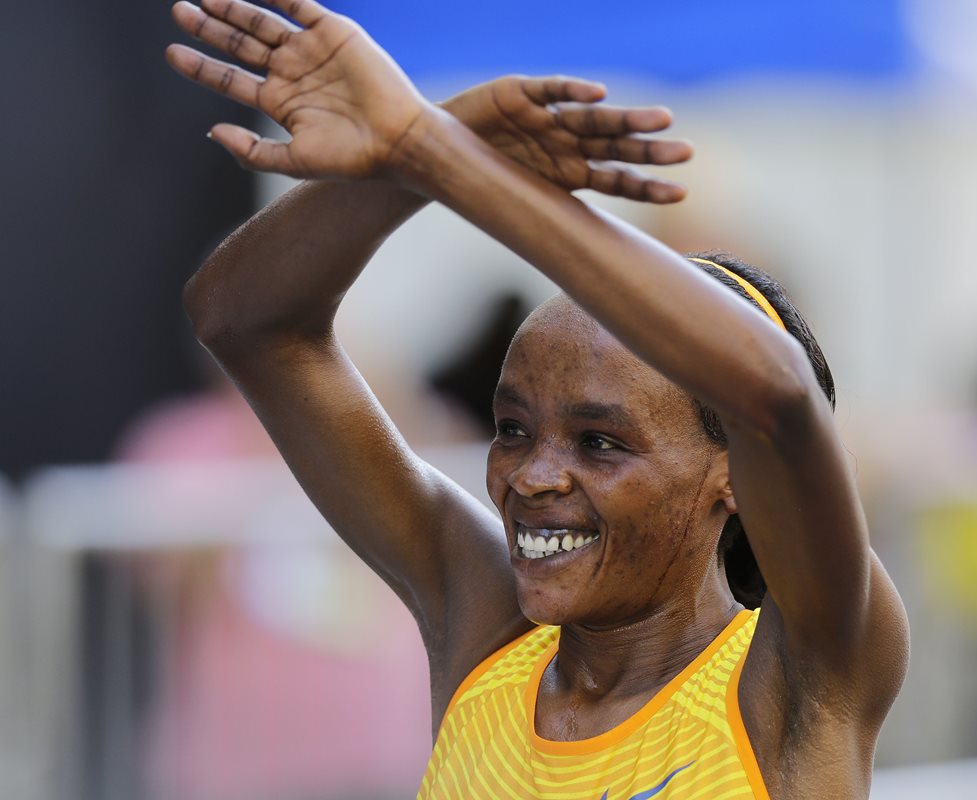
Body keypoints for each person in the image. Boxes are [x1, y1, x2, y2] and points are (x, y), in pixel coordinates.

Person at [165, 1, 910, 797]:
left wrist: (441, 157)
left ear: (731, 471)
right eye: (514, 428)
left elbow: (779, 395)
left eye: (600, 442)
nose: (532, 476)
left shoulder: (801, 675)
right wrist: (421, 146)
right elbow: (244, 321)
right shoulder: (484, 633)